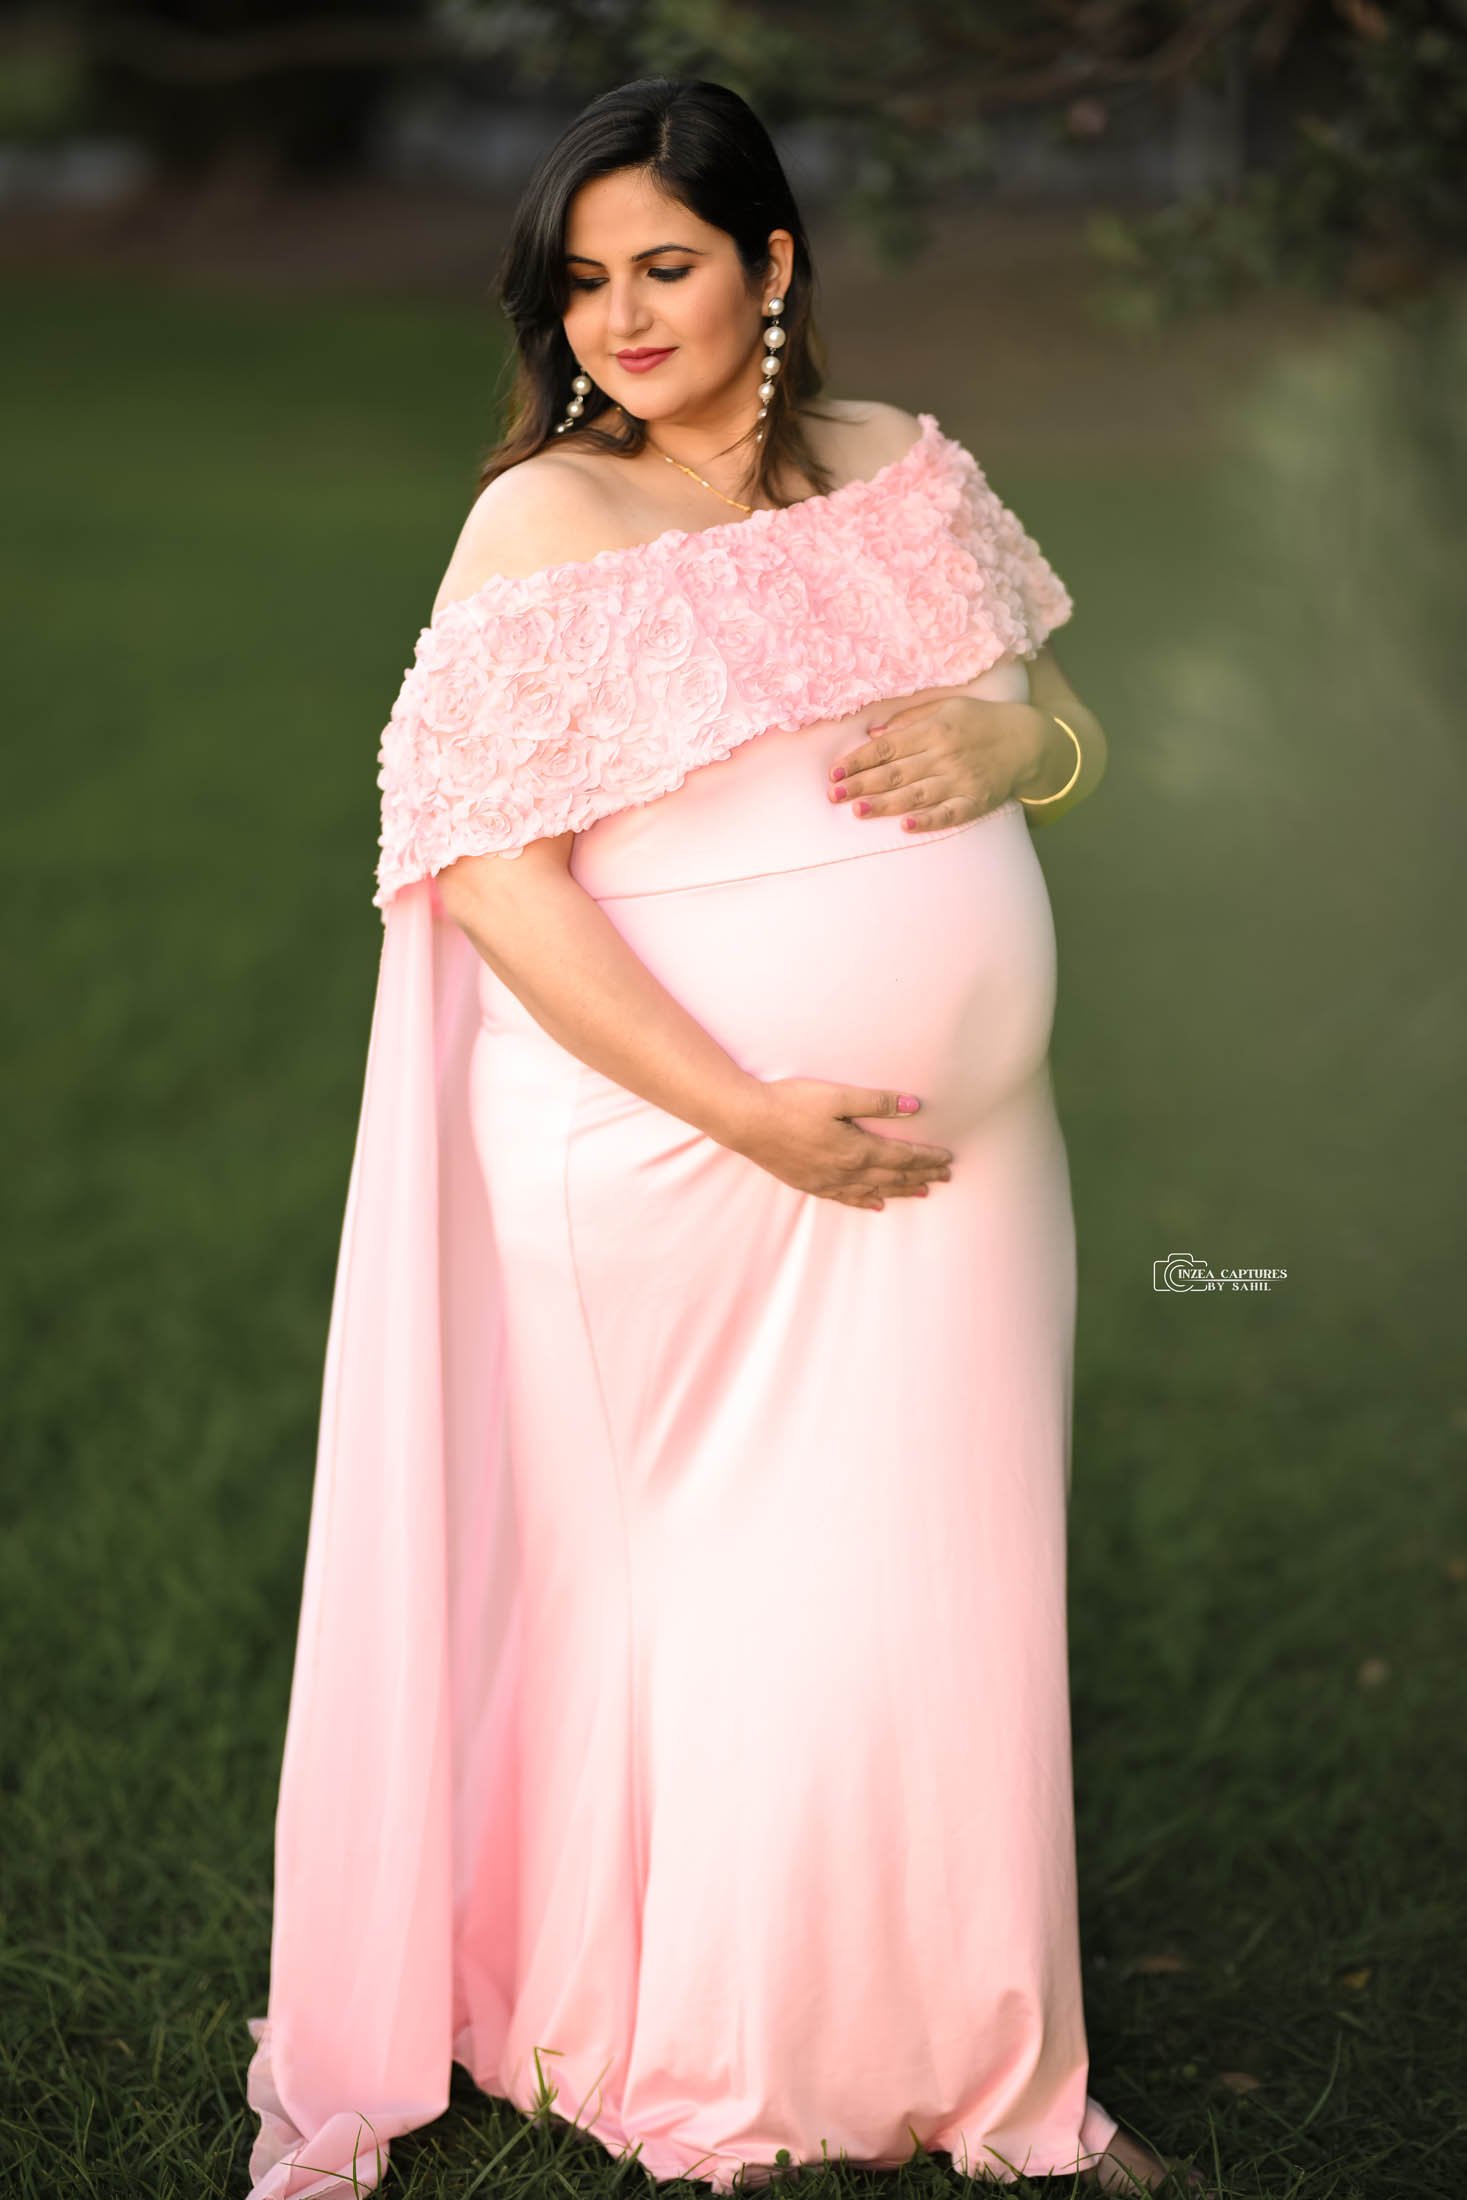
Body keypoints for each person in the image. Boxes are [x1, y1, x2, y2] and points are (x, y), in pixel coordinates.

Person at [242, 76, 1214, 2200]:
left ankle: (990, 2064)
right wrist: (750, 1109)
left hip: (967, 1169)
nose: (619, 315)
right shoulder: (542, 522)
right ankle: (708, 2035)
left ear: (771, 263)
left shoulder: (901, 471)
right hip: (667, 1141)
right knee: (722, 1600)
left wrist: (1021, 733)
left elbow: (1043, 716)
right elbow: (489, 879)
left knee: (943, 1592)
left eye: (662, 264)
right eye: (581, 281)